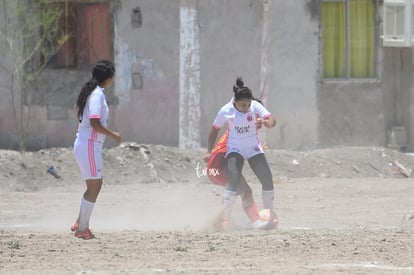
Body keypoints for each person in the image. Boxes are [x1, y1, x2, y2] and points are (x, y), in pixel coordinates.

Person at [205, 77, 277, 230]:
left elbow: (270, 119)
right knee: (237, 181)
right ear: (235, 102)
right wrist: (208, 152)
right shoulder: (226, 111)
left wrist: (268, 122)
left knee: (265, 179)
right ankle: (224, 220)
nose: (247, 108)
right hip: (223, 159)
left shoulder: (254, 107)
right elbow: (214, 130)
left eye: (249, 105)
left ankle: (267, 218)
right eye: (243, 105)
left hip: (252, 149)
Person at [71, 60, 121, 240]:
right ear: (108, 79)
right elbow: (94, 121)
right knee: (95, 186)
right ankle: (82, 228)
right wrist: (112, 134)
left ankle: (79, 222)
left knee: (93, 185)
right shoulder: (97, 95)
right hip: (89, 145)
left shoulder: (93, 92)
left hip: (87, 145)